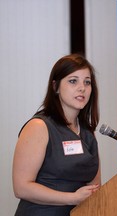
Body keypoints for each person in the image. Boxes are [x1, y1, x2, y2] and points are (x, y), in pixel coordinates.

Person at [12, 54, 101, 216]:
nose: (82, 87)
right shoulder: (39, 126)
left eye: (87, 82)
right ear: (56, 87)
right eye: (73, 81)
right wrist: (72, 198)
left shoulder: (88, 134)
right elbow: (21, 188)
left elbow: (94, 189)